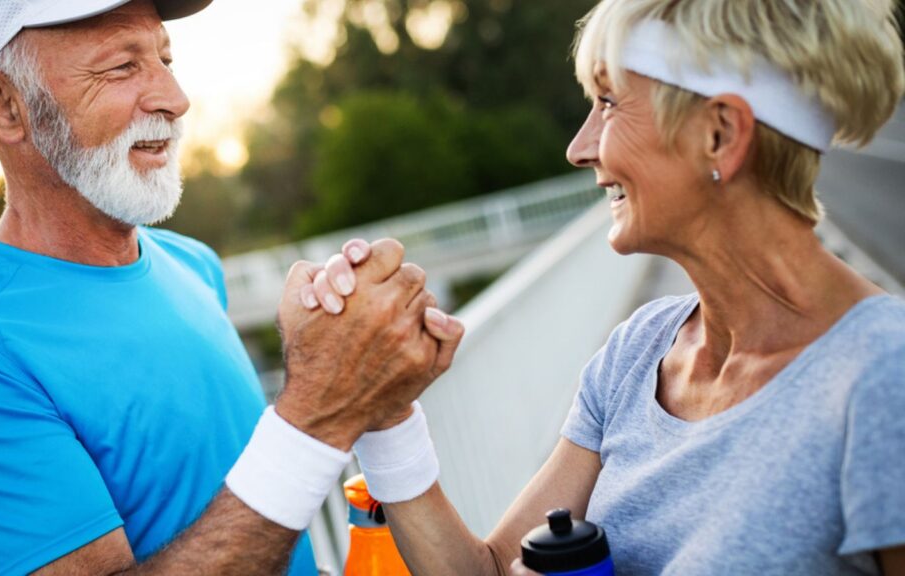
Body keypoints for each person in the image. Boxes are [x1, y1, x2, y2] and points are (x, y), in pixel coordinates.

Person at [305, 0, 905, 573]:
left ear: (720, 134)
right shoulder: (640, 351)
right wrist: (386, 413)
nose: (579, 147)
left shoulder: (884, 376)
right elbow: (488, 571)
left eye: (610, 103)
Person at [0, 1, 464, 574]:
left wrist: (361, 375)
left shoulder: (194, 264)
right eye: (122, 66)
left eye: (165, 57)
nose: (176, 98)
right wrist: (320, 409)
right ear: (4, 105)